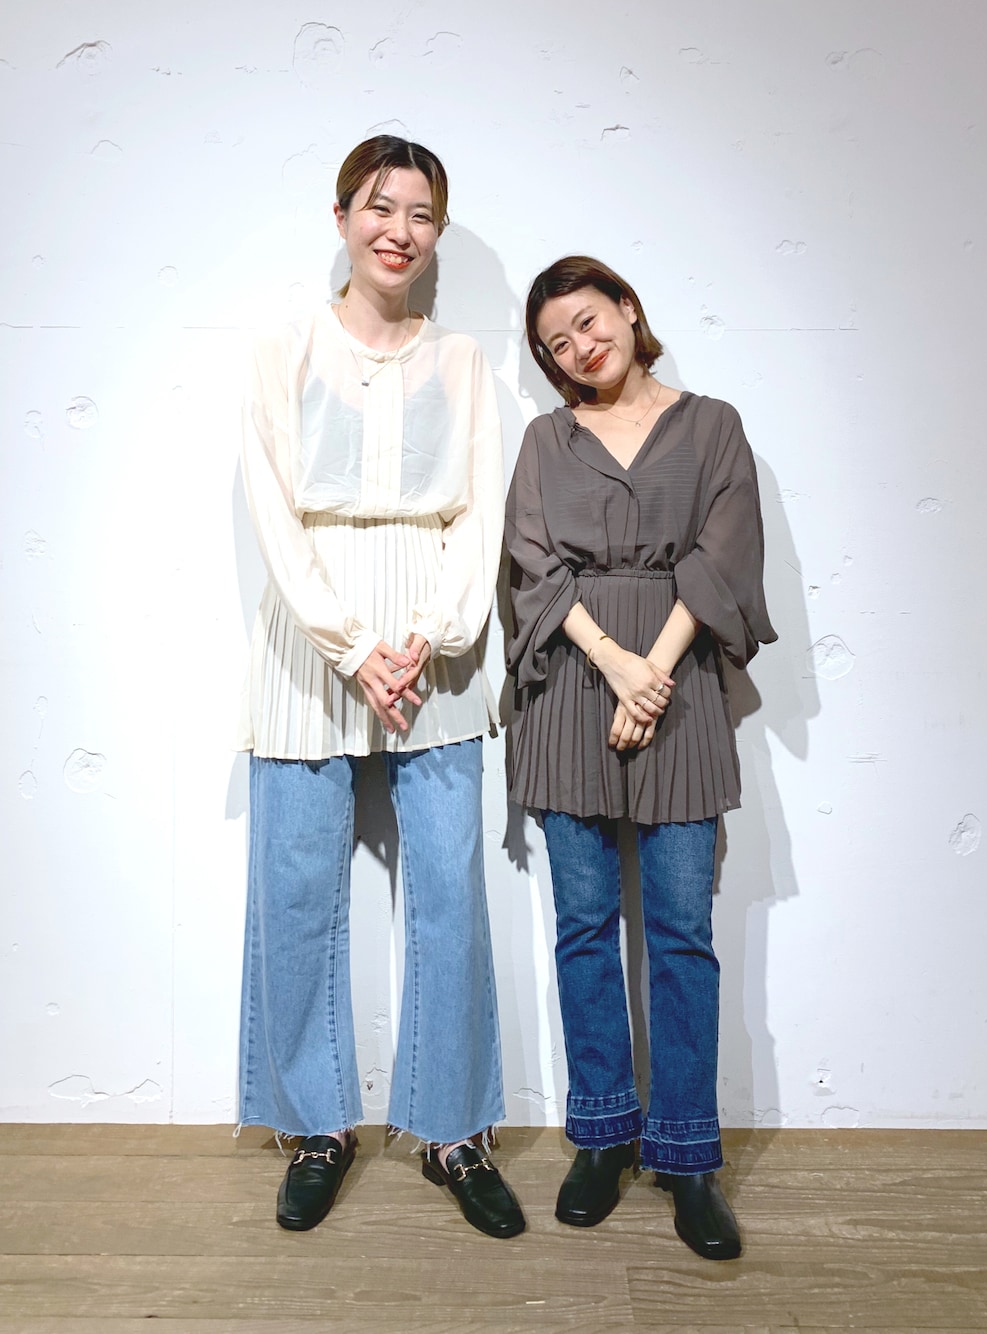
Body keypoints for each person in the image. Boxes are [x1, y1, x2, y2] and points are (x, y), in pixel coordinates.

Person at [237, 135, 524, 1239]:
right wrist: (351, 645)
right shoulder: (285, 347)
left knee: (449, 887)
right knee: (295, 889)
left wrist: (431, 635)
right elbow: (274, 507)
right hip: (309, 640)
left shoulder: (462, 362)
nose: (398, 230)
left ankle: (453, 1128)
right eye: (379, 206)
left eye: (420, 213)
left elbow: (480, 512)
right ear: (342, 216)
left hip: (432, 640)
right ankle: (318, 1125)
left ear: (436, 232)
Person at [504, 255, 776, 1259]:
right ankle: (603, 1135)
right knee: (583, 928)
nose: (580, 347)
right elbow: (532, 565)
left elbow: (721, 555)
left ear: (627, 308)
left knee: (680, 933)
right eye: (557, 343)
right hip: (571, 692)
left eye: (588, 320)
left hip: (679, 691)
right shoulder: (545, 440)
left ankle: (688, 1154)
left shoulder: (712, 426)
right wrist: (617, 665)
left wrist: (652, 671)